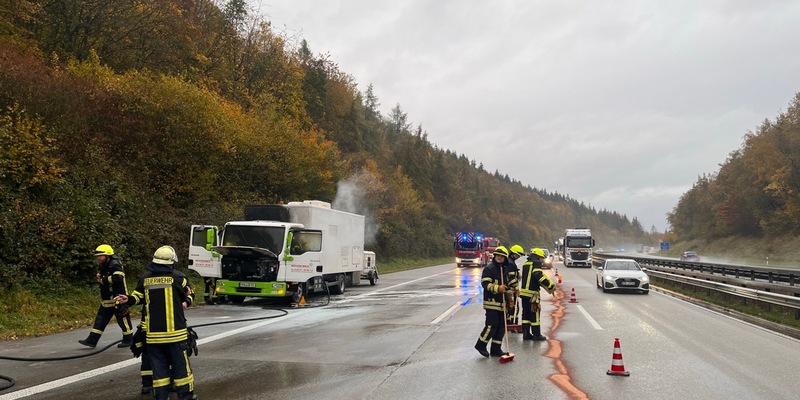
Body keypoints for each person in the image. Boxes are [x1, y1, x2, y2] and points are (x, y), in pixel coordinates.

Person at [115, 245, 198, 400]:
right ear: (171, 261)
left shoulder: (145, 279)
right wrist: (187, 301)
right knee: (181, 369)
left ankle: (161, 396)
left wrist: (128, 299)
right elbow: (190, 293)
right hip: (176, 336)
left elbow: (137, 297)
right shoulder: (179, 278)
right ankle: (186, 396)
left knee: (159, 371)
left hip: (154, 337)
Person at [79, 244, 133, 348]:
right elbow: (103, 276)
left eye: (101, 255)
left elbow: (118, 278)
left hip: (118, 298)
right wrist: (100, 276)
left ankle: (128, 340)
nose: (98, 258)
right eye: (97, 256)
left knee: (123, 319)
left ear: (107, 255)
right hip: (108, 299)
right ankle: (92, 340)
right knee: (100, 319)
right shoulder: (104, 264)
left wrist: (103, 280)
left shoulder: (115, 264)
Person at [474, 246, 512, 358]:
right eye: (498, 256)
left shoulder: (505, 269)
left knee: (501, 327)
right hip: (492, 303)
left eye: (502, 256)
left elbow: (507, 287)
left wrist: (510, 300)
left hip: (502, 304)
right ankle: (480, 345)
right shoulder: (489, 269)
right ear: (494, 256)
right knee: (491, 326)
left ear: (505, 258)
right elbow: (485, 284)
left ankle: (496, 349)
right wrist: (497, 288)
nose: (499, 258)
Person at [519, 248, 557, 341]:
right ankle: (536, 335)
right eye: (541, 258)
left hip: (524, 293)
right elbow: (538, 276)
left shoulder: (526, 264)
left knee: (526, 314)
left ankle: (526, 334)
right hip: (532, 294)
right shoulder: (536, 263)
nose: (542, 260)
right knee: (535, 313)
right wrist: (550, 285)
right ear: (538, 257)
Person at [505, 244, 525, 328]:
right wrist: (516, 288)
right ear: (513, 253)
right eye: (518, 255)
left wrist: (517, 274)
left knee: (509, 307)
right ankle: (513, 325)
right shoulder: (511, 263)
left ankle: (509, 323)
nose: (518, 257)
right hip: (510, 290)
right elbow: (510, 278)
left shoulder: (509, 262)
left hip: (508, 289)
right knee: (514, 308)